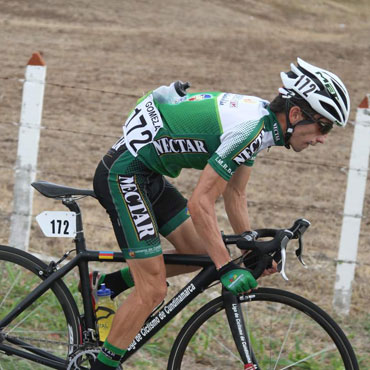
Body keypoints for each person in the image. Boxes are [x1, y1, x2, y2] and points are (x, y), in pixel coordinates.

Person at [90, 58, 350, 369]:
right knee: (153, 289)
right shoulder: (250, 129)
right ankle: (102, 366)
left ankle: (106, 286)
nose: (322, 138)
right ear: (296, 114)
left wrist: (248, 249)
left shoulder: (263, 125)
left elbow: (235, 194)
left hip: (147, 174)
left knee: (198, 252)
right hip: (125, 174)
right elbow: (200, 203)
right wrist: (226, 267)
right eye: (323, 126)